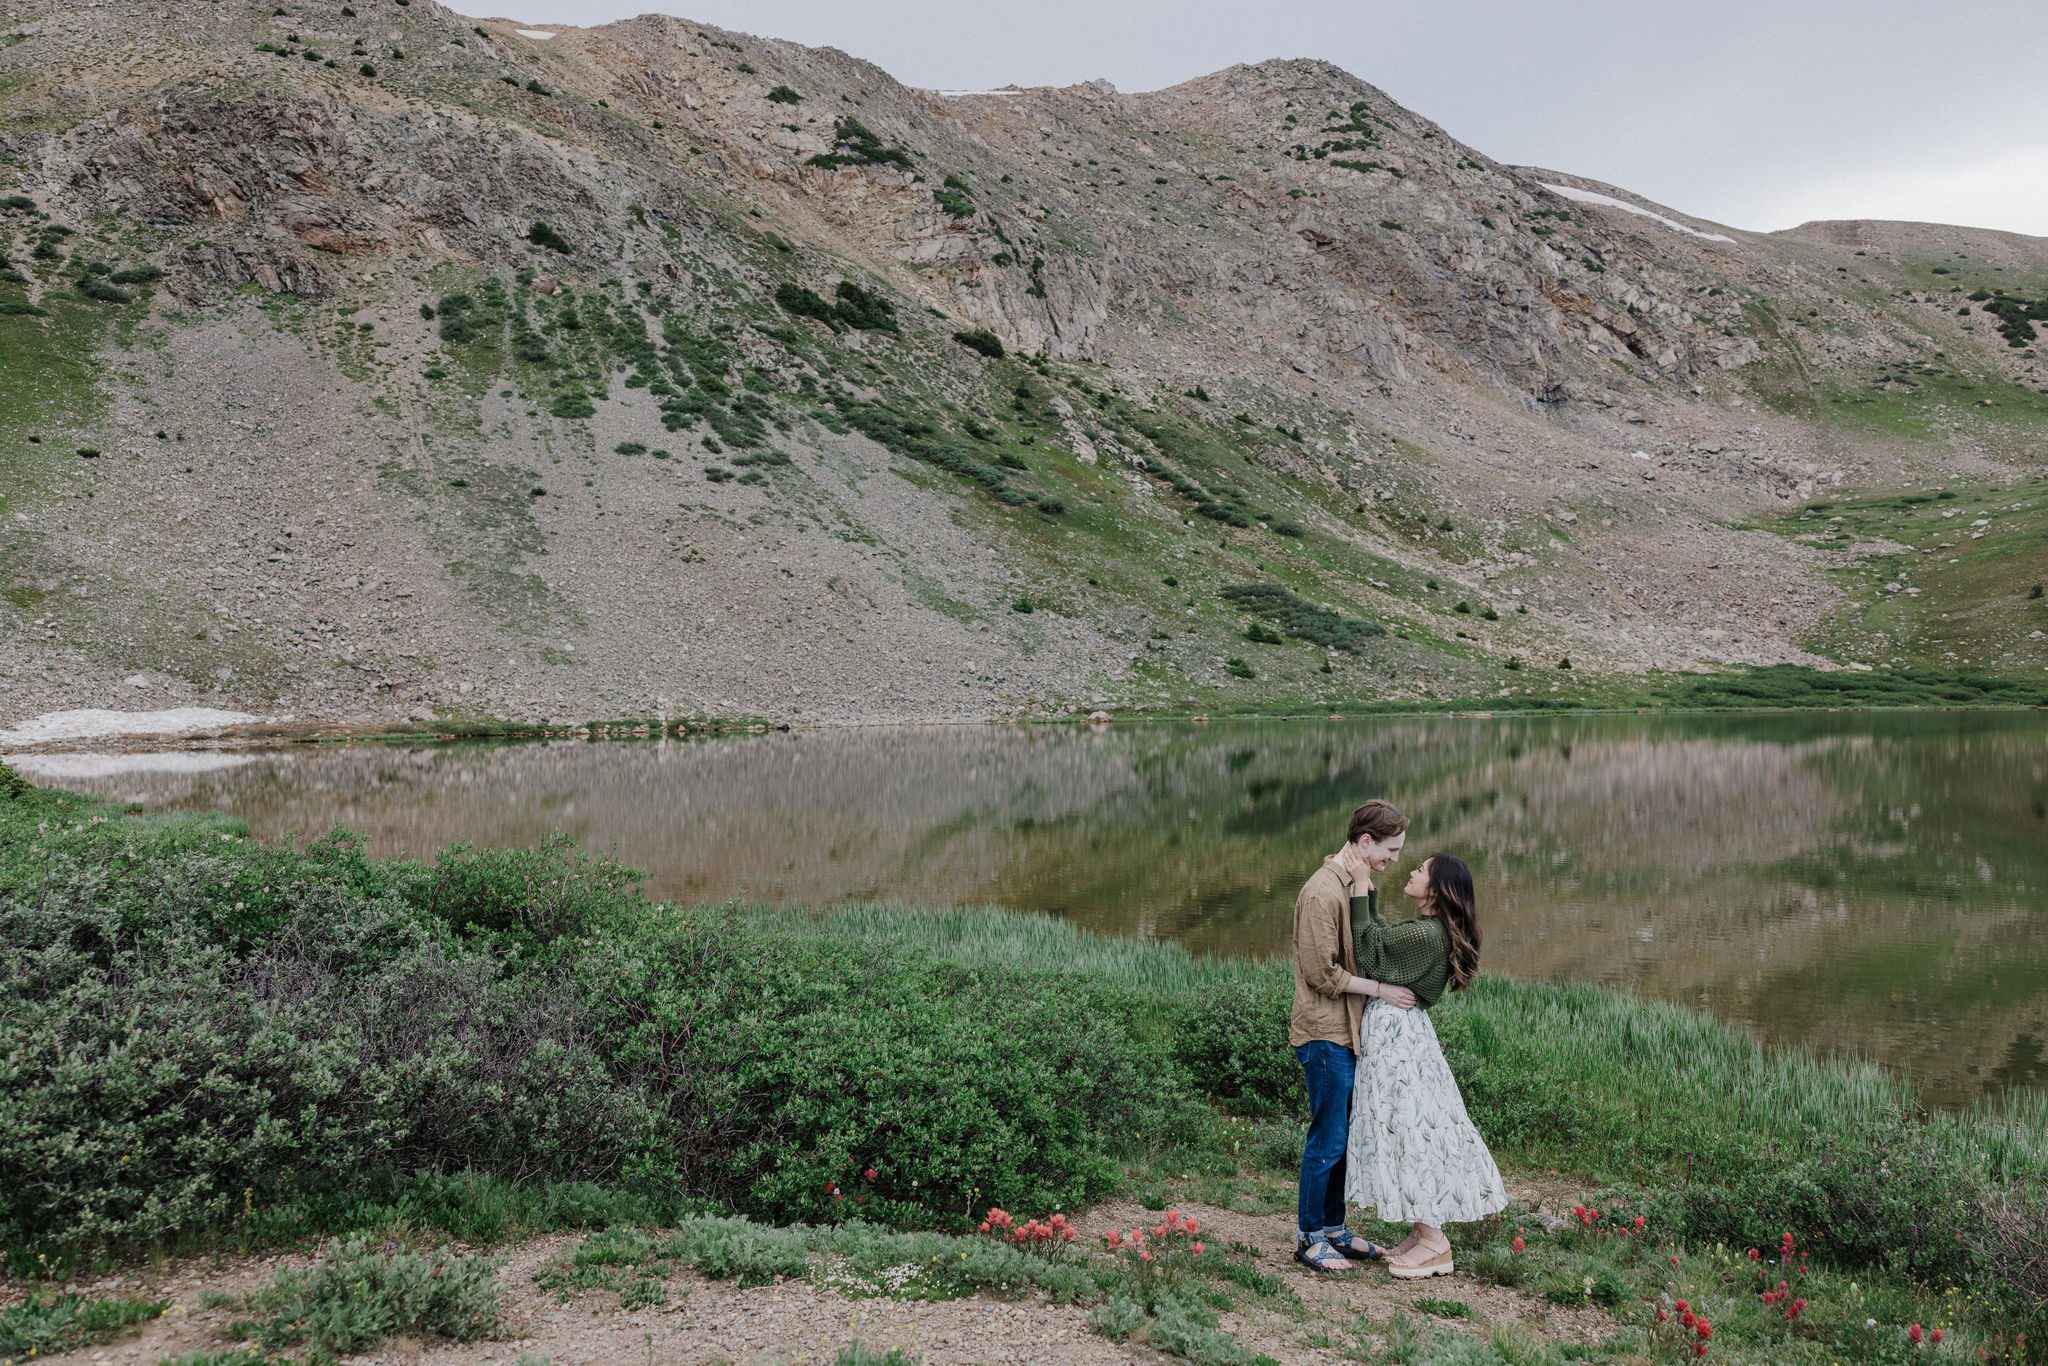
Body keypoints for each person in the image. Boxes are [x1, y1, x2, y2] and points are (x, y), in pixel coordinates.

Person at [1344, 853, 1507, 1279]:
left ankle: (1435, 1242)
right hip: (1401, 1037)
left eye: (1422, 869)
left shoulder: (1427, 935)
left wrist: (1361, 886)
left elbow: (1371, 951)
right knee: (1405, 1128)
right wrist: (1370, 892)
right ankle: (1422, 1231)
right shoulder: (1426, 931)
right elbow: (1382, 938)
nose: (1413, 871)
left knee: (1410, 1131)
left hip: (1400, 1043)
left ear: (1436, 890)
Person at [1289, 799, 1419, 1275]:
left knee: (1343, 1137)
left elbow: (1370, 941)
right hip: (1324, 1035)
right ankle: (1308, 1237)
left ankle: (1334, 1229)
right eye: (1390, 849)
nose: (1394, 859)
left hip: (1348, 1035)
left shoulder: (1354, 885)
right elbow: (1321, 973)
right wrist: (1383, 989)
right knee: (1327, 1137)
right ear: (1365, 843)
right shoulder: (1322, 892)